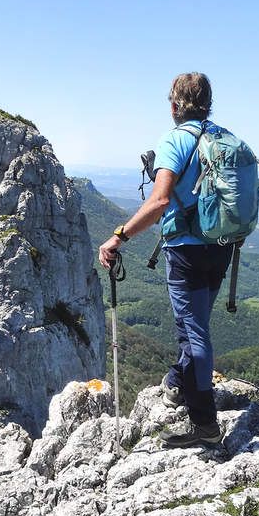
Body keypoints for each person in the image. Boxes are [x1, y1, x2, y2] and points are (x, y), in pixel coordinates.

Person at [98, 72, 235, 448]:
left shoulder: (175, 139)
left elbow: (159, 202)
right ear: (208, 103)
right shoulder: (222, 138)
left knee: (194, 333)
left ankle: (205, 425)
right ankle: (177, 382)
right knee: (198, 325)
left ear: (175, 106)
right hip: (222, 245)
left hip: (187, 250)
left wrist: (119, 237)